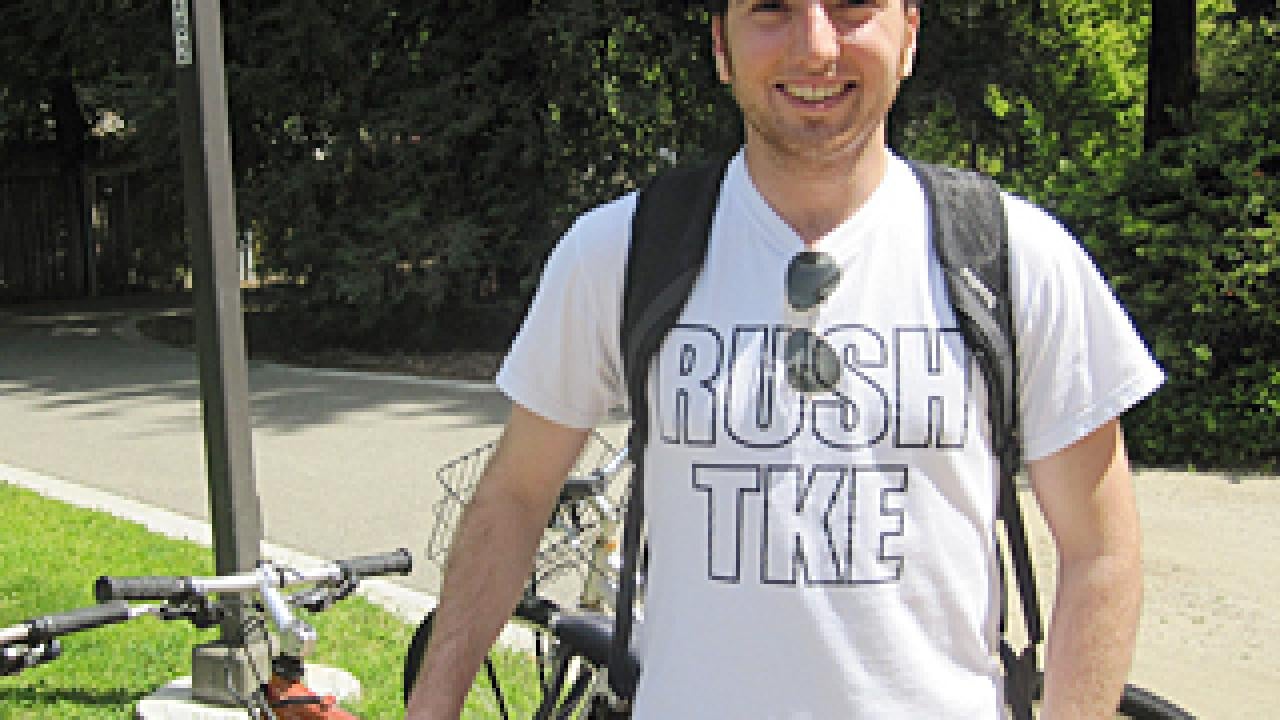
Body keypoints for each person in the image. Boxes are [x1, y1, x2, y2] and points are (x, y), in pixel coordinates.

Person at [405, 0, 1164, 717]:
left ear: (909, 35)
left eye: (853, 6)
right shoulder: (619, 253)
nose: (816, 47)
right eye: (771, 7)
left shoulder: (1014, 258)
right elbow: (514, 498)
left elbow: (1099, 549)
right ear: (721, 47)